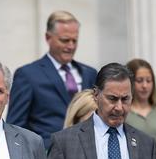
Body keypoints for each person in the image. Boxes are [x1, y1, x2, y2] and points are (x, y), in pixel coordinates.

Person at [8, 11, 98, 148]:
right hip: (47, 158)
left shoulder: (90, 74)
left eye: (75, 40)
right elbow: (15, 128)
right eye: (65, 40)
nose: (71, 46)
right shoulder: (27, 75)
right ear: (48, 37)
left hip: (88, 155)